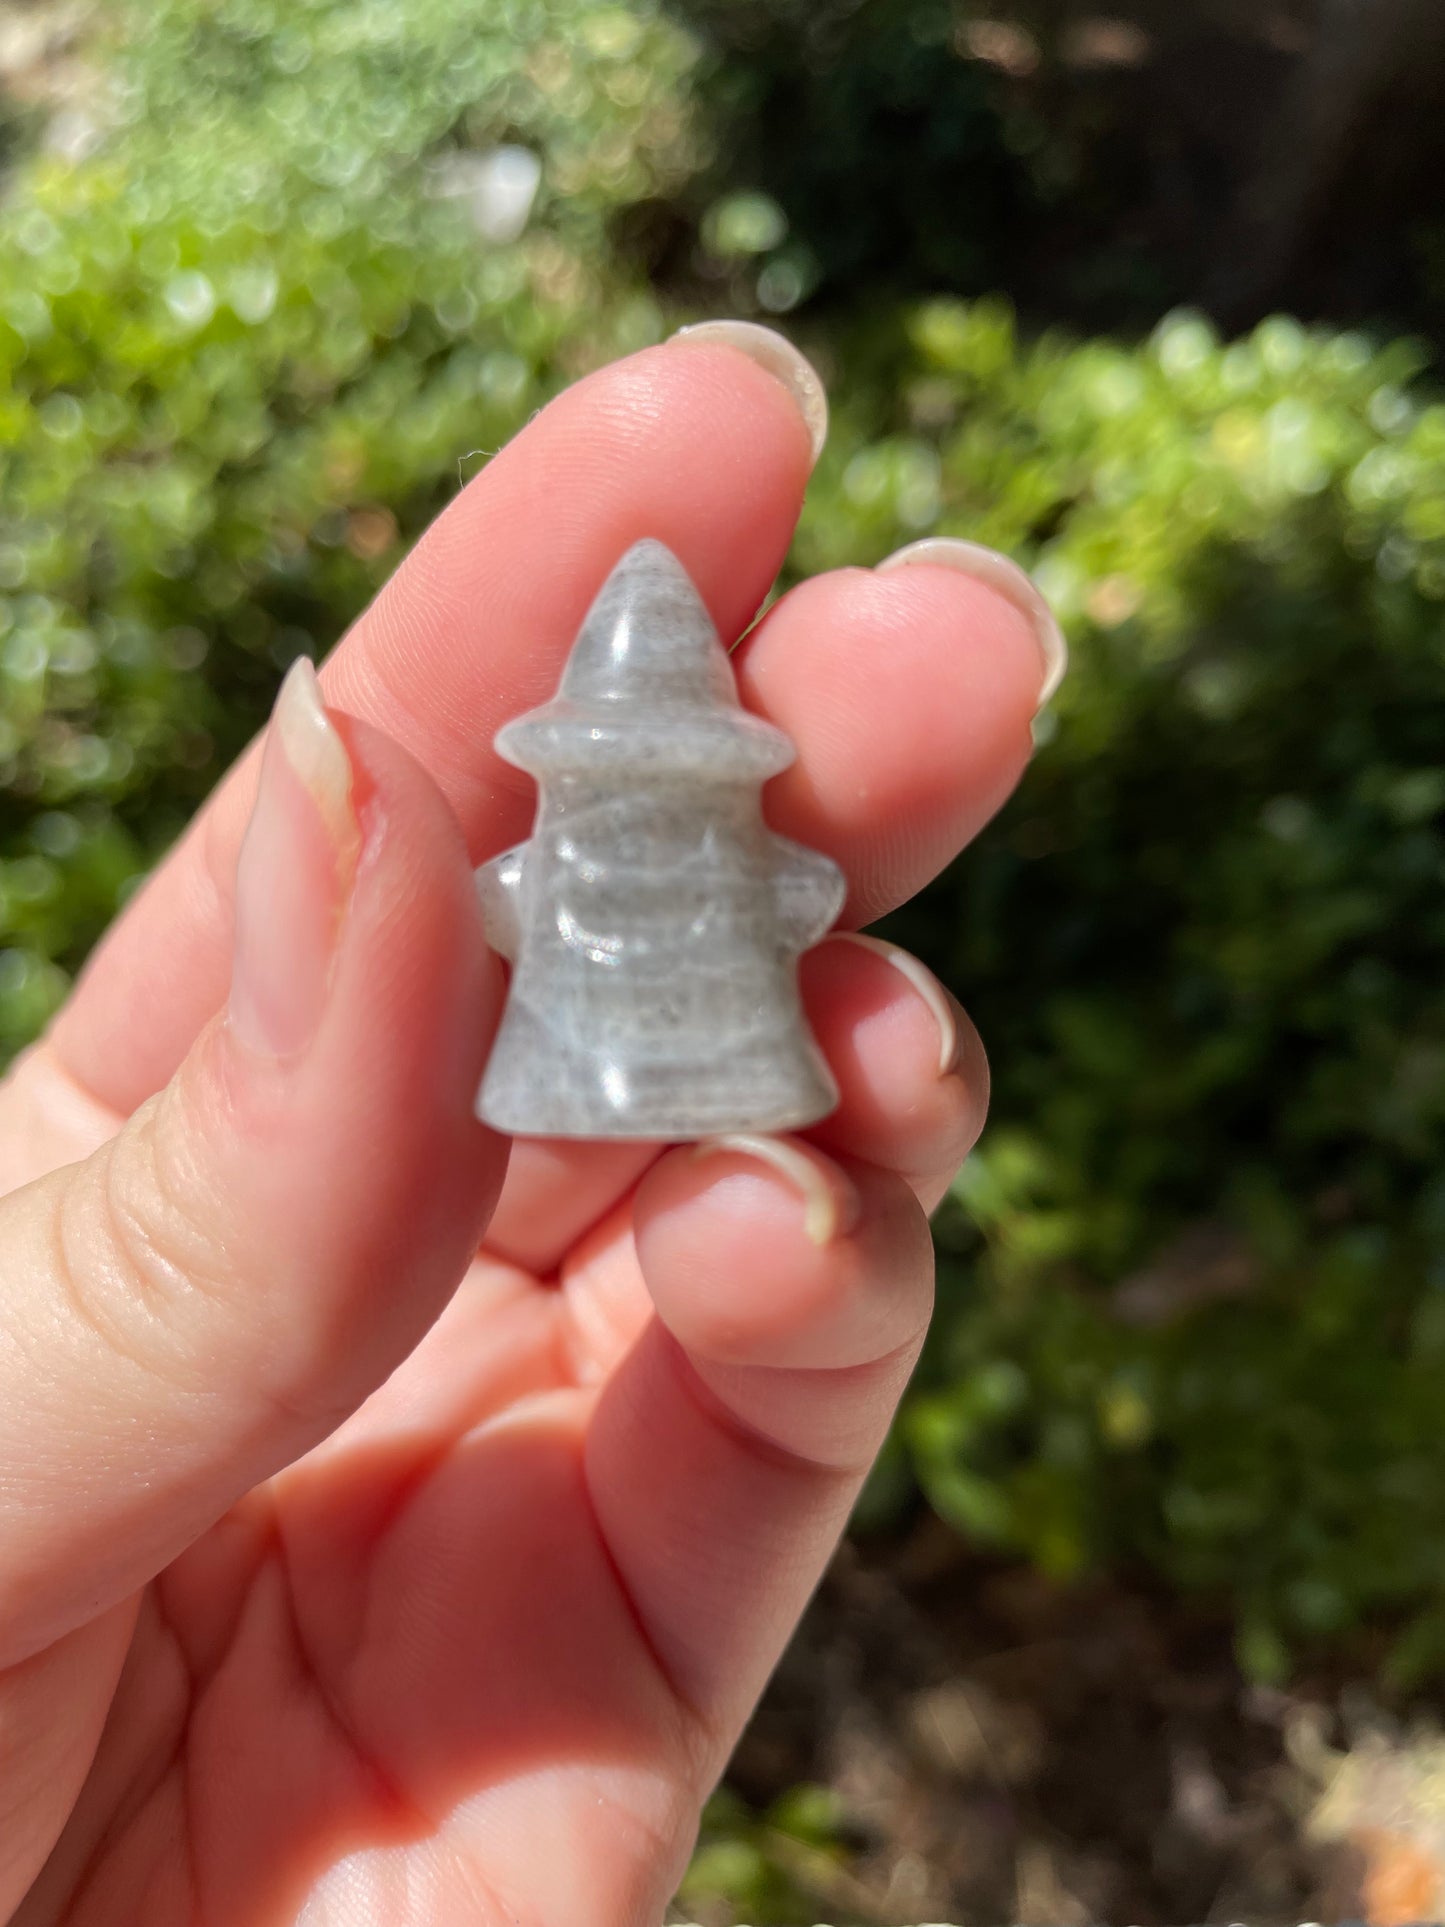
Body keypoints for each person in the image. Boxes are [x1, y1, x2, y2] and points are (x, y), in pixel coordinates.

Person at [0, 322, 1064, 1925]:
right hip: (593, 1079)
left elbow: (684, 888)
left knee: (815, 1190)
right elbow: (585, 892)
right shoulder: (585, 867)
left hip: (689, 1069)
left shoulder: (615, 864)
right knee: (810, 1200)